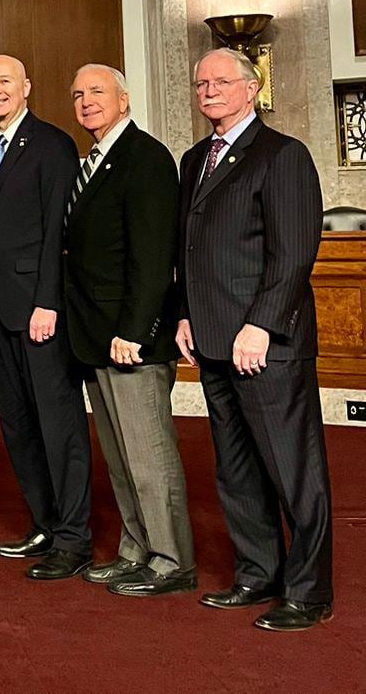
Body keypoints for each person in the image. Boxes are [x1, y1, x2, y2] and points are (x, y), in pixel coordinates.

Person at [177, 48, 333, 632]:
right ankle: (257, 572)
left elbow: (293, 254)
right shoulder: (196, 159)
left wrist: (261, 325)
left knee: (293, 469)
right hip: (212, 339)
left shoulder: (282, 155)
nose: (209, 90)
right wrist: (185, 316)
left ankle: (309, 591)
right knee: (236, 470)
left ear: (251, 88)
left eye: (221, 82)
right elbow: (188, 253)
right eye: (201, 83)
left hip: (267, 345)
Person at [63, 64, 195, 596]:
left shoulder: (146, 158)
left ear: (125, 99)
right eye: (78, 94)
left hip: (132, 339)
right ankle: (136, 548)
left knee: (149, 457)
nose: (86, 101)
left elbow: (154, 255)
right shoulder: (94, 161)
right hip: (97, 336)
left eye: (97, 92)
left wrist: (136, 331)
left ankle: (172, 561)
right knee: (120, 458)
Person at [0, 54, 93, 580]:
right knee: (18, 423)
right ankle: (44, 522)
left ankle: (74, 537)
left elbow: (56, 234)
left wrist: (48, 301)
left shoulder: (53, 144)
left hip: (39, 309)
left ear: (27, 87)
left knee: (58, 423)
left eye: (5, 81)